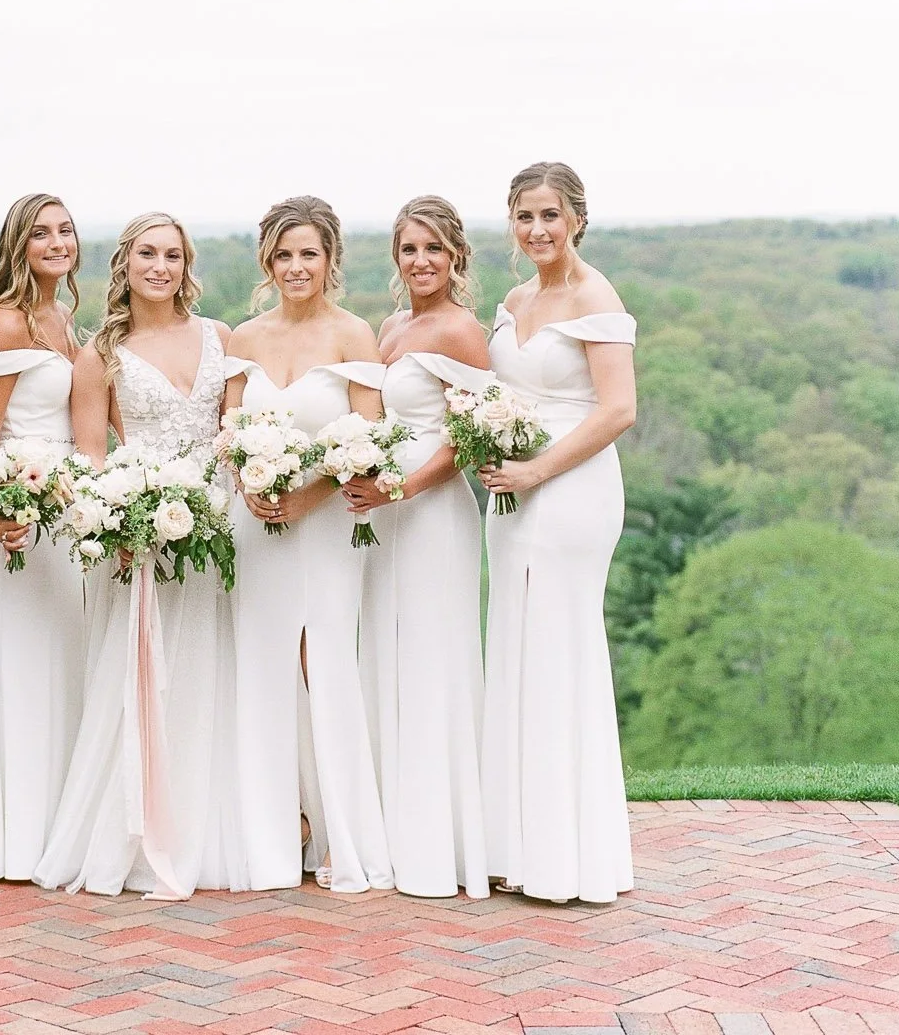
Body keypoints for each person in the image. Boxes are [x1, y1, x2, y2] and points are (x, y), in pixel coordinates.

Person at [34, 213, 245, 898]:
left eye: (174, 255)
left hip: (219, 530)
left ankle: (213, 833)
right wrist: (125, 523)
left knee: (215, 676)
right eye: (148, 254)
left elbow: (233, 436)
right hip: (141, 536)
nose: (161, 266)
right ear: (124, 264)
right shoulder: (101, 354)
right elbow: (92, 454)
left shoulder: (220, 337)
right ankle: (133, 835)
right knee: (145, 678)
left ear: (187, 265)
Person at [224, 196, 393, 893]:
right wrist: (250, 484)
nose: (297, 267)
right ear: (268, 260)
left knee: (323, 659)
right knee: (261, 664)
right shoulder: (241, 338)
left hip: (325, 527)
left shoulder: (355, 335)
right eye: (285, 255)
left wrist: (308, 493)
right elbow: (228, 430)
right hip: (255, 529)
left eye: (309, 255)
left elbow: (371, 441)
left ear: (330, 261)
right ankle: (272, 827)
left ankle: (337, 831)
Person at [479, 161, 637, 903]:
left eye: (549, 215)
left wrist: (538, 472)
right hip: (509, 494)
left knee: (557, 648)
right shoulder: (513, 299)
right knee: (515, 646)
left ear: (576, 217)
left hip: (570, 492)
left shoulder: (594, 296)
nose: (537, 229)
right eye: (524, 216)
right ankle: (517, 844)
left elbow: (617, 411)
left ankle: (569, 855)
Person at [0, 194, 85, 881]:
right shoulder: (2, 324)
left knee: (62, 660)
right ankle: (4, 838)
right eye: (41, 234)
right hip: (13, 506)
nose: (57, 242)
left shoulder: (63, 318)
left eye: (65, 230)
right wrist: (1, 506)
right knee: (15, 665)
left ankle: (53, 829)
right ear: (17, 247)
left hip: (62, 506)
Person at [356, 194, 491, 898]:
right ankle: (386, 829)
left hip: (431, 512)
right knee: (385, 650)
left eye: (433, 248)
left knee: (432, 658)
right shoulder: (391, 326)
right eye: (409, 249)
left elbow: (469, 441)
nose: (421, 261)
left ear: (455, 256)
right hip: (383, 514)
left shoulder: (462, 331)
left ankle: (441, 843)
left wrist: (401, 489)